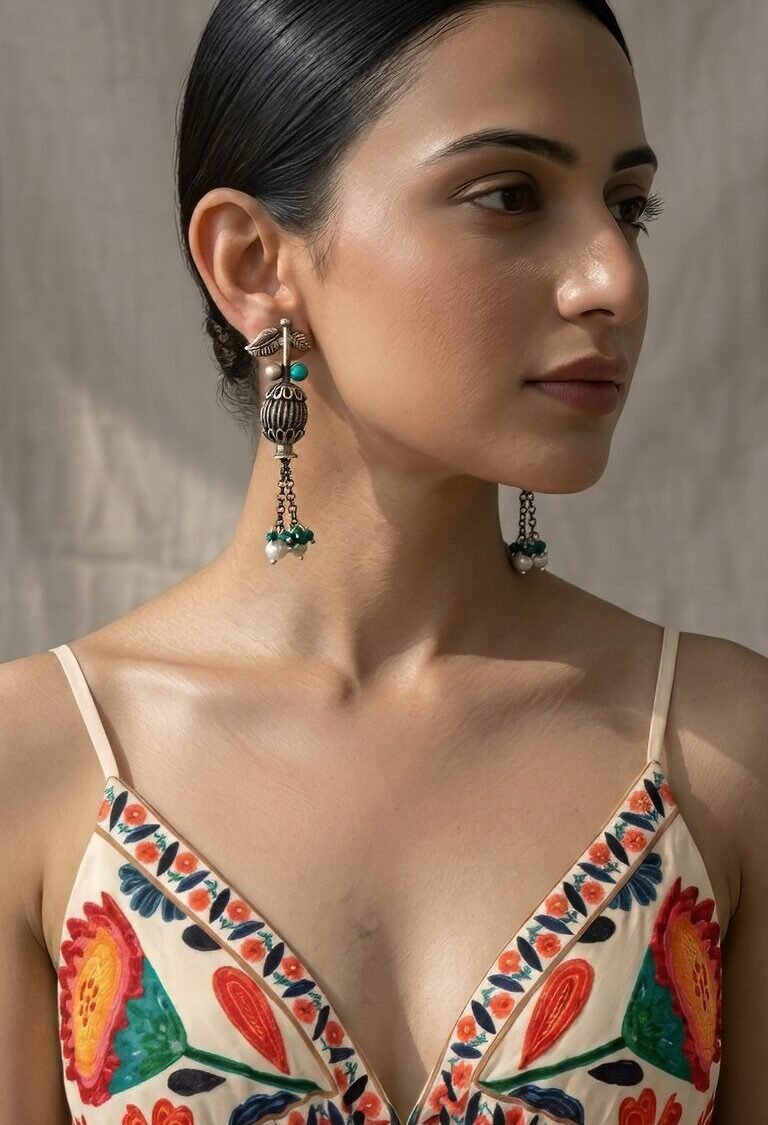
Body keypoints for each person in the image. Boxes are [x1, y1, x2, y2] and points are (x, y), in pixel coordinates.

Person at [0, 1, 764, 1121]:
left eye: (628, 207)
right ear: (253, 262)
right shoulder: (40, 762)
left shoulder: (723, 753)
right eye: (509, 196)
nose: (615, 279)